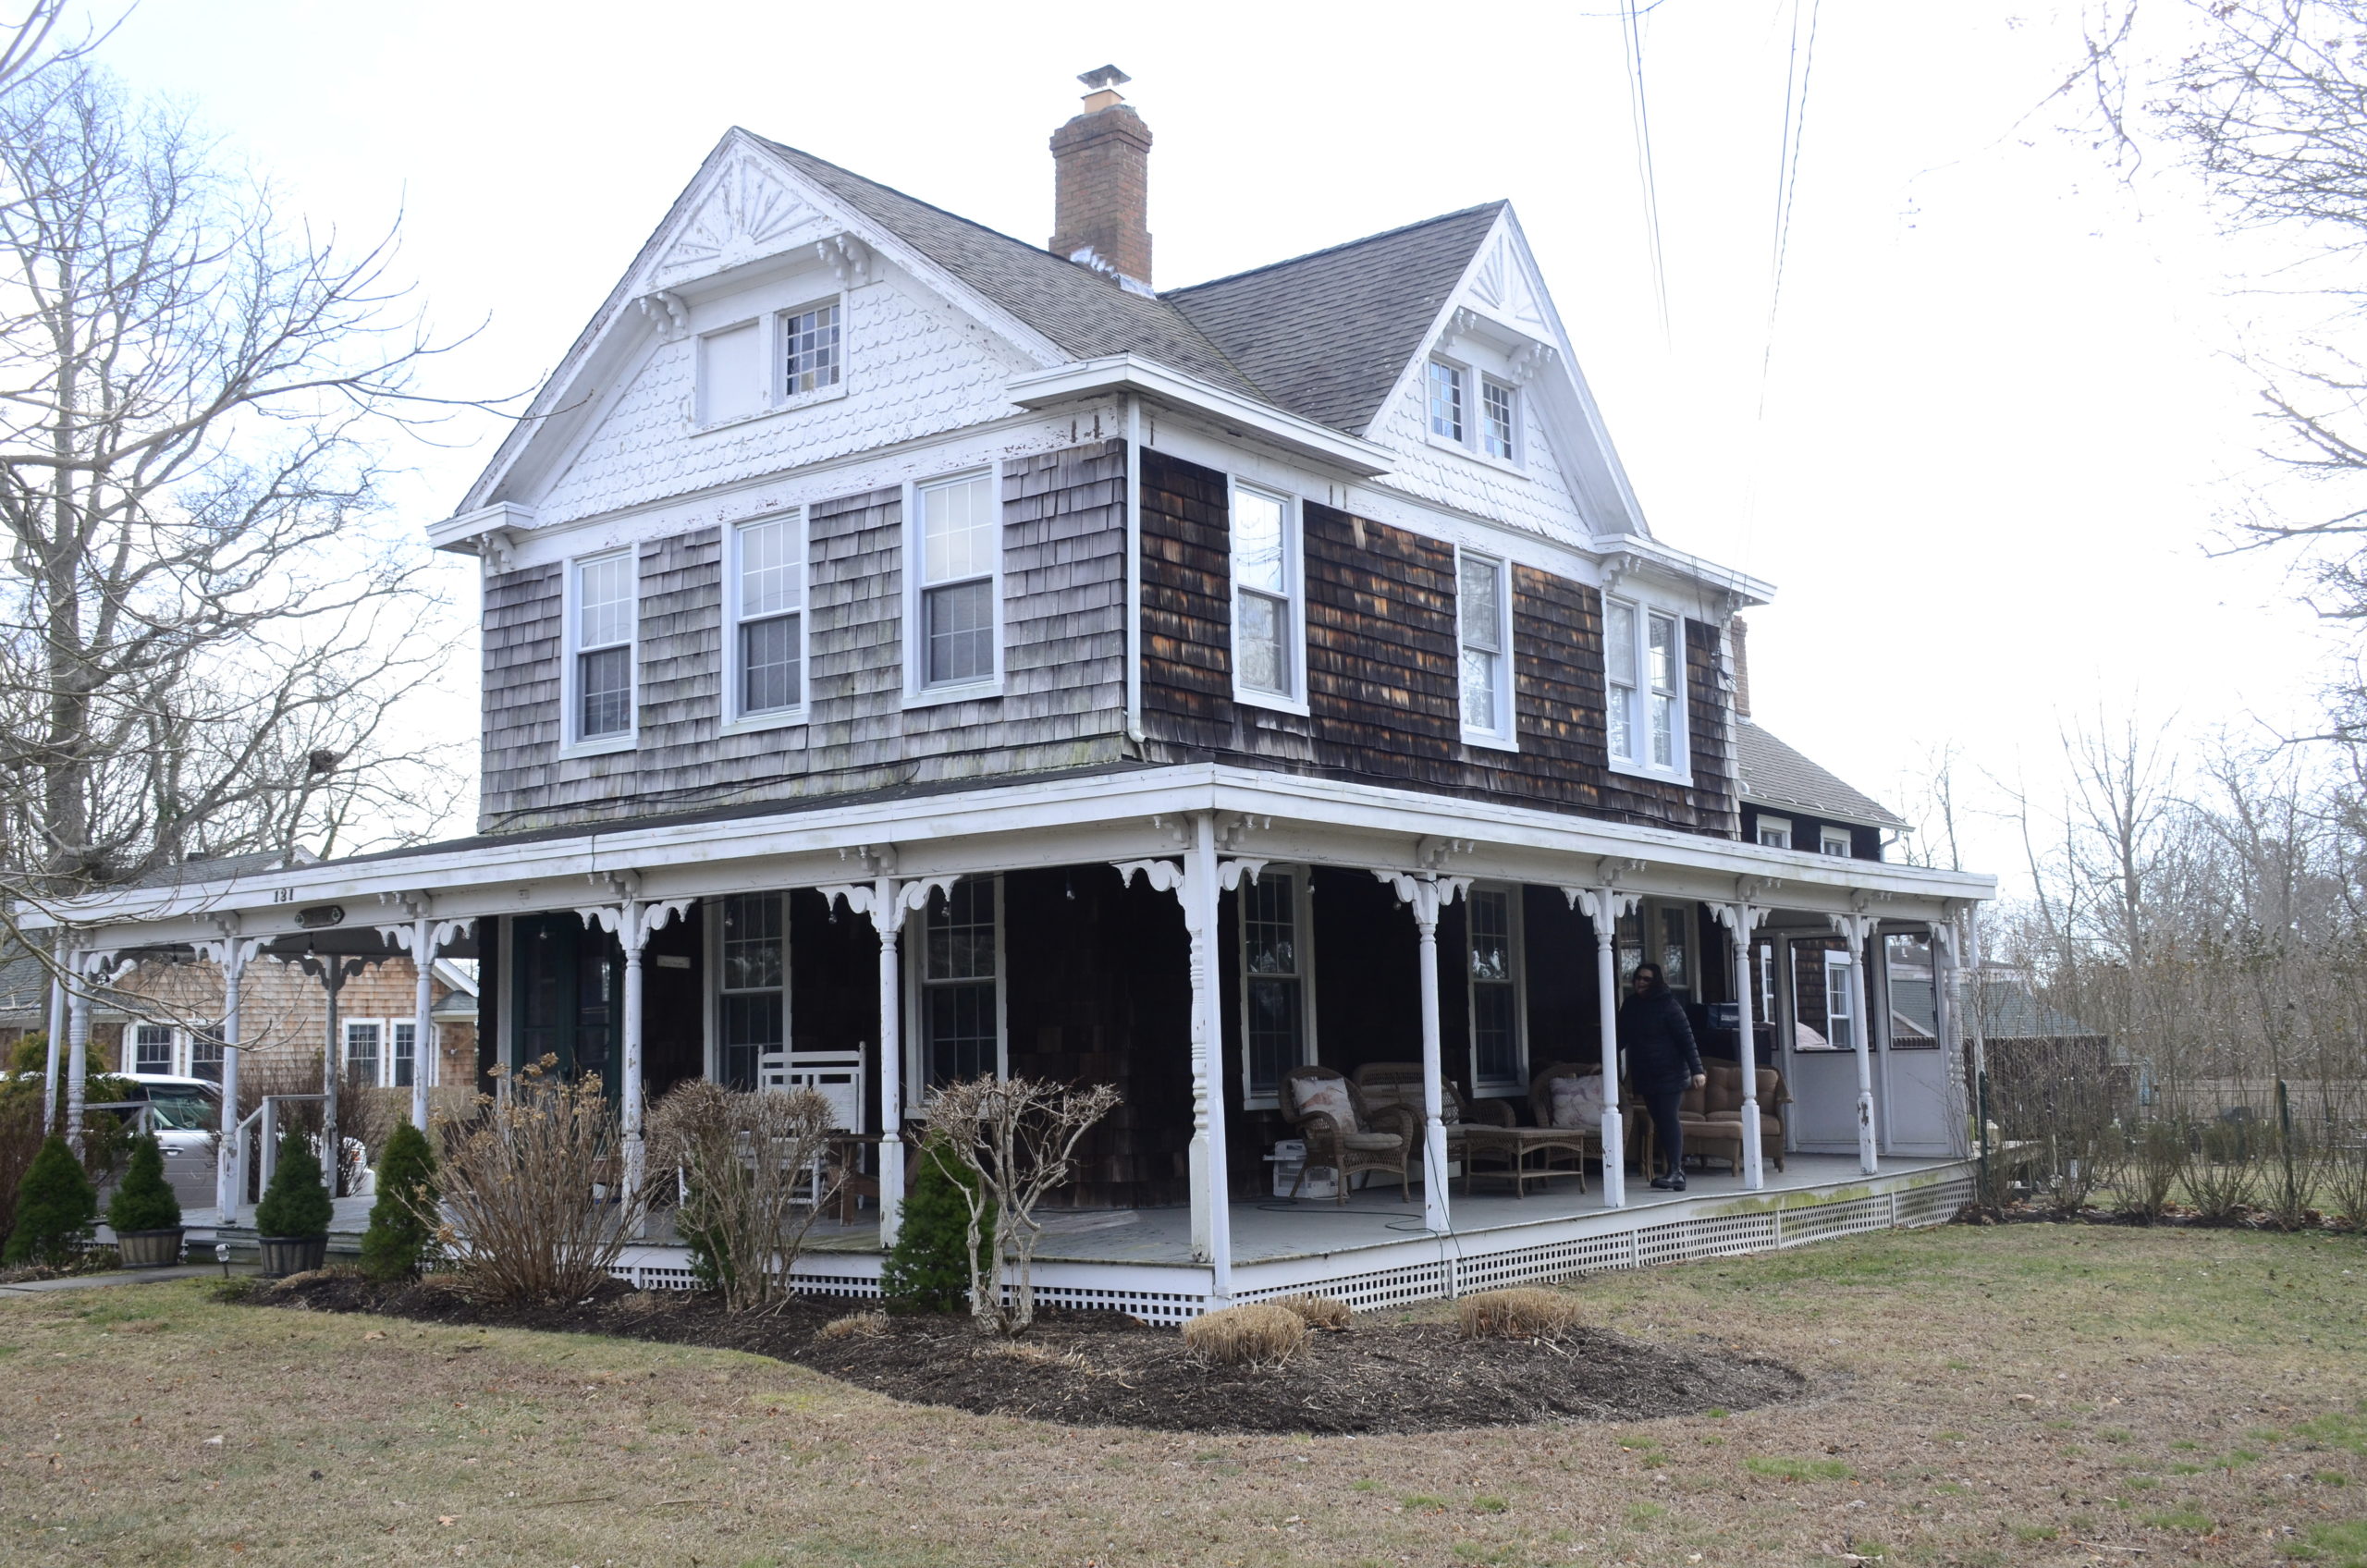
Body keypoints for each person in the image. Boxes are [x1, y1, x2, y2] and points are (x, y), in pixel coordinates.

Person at [1618, 961, 1705, 1191]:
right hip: (1646, 1073)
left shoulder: (1669, 1005)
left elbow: (1686, 1039)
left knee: (1668, 1119)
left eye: (1646, 979)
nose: (1640, 982)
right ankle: (1673, 1172)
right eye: (1637, 978)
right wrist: (1602, 1060)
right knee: (1660, 1121)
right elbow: (1620, 1036)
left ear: (1655, 981)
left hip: (1671, 1074)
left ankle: (1676, 1171)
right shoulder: (1631, 1005)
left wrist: (1698, 1070)